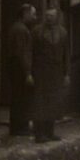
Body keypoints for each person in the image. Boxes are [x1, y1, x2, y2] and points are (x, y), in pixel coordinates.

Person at [31, 8, 70, 143]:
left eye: (52, 16)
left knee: (53, 102)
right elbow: (32, 53)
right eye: (47, 15)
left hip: (56, 72)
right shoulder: (37, 32)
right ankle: (39, 134)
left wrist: (66, 73)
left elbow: (66, 54)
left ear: (57, 17)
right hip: (41, 72)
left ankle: (50, 132)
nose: (49, 18)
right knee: (40, 102)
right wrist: (31, 72)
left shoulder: (63, 32)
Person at [6, 4, 36, 136]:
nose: (35, 18)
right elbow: (21, 52)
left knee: (18, 97)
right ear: (25, 14)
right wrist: (28, 72)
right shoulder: (21, 30)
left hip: (16, 66)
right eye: (33, 14)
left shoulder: (17, 28)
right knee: (21, 97)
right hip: (19, 68)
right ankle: (19, 128)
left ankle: (18, 127)